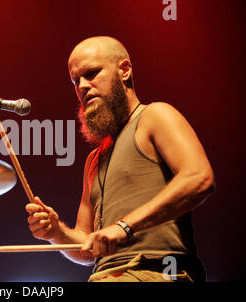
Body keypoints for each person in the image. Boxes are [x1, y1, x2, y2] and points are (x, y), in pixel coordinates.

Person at [25, 36, 215, 282]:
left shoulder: (154, 116)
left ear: (124, 70)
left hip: (159, 270)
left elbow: (200, 178)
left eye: (91, 73)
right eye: (76, 80)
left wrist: (124, 227)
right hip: (105, 276)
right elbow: (87, 244)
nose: (82, 86)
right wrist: (57, 232)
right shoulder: (94, 160)